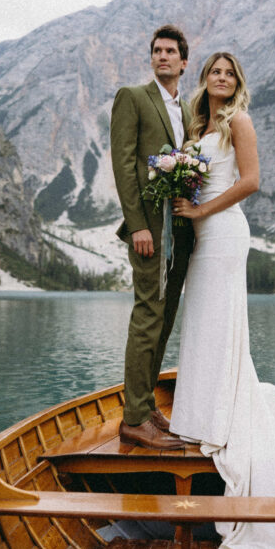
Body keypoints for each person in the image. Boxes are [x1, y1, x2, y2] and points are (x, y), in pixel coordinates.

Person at [169, 52, 275, 549]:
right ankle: (200, 412)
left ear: (236, 83)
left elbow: (250, 181)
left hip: (225, 233)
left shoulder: (238, 120)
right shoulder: (199, 125)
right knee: (203, 323)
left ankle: (219, 415)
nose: (221, 79)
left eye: (229, 74)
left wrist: (200, 209)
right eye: (214, 72)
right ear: (204, 79)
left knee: (220, 322)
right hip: (205, 235)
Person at [110, 25, 194, 450]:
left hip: (181, 228)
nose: (162, 57)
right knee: (147, 316)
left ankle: (146, 406)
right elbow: (124, 165)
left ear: (183, 61)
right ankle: (134, 419)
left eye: (170, 52)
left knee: (164, 320)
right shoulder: (133, 98)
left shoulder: (189, 109)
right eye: (156, 51)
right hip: (150, 230)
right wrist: (138, 224)